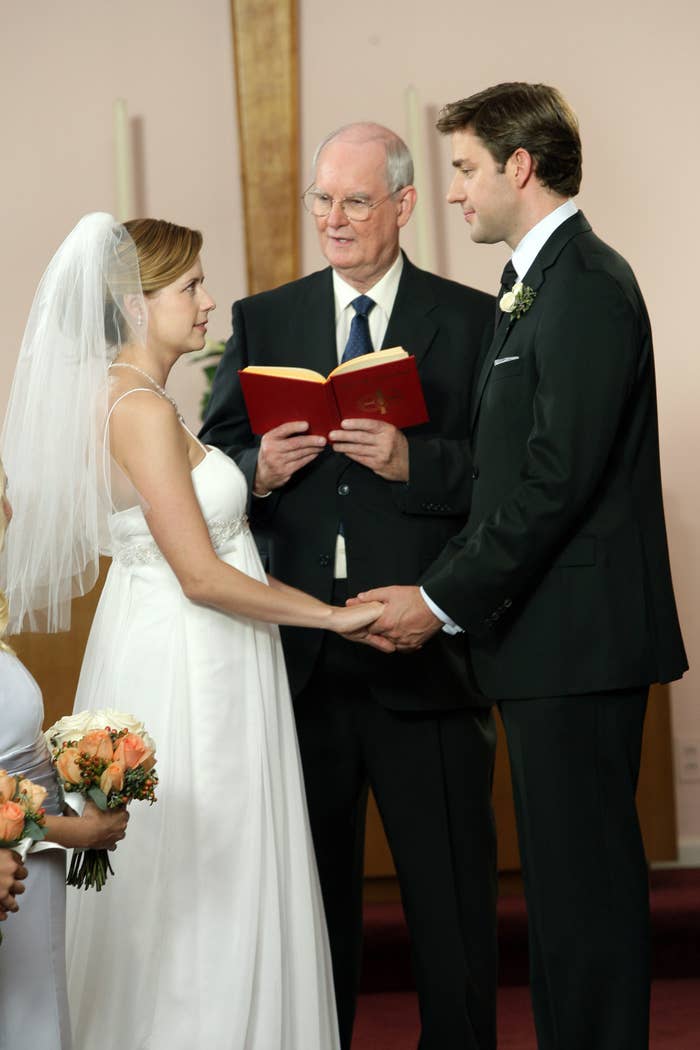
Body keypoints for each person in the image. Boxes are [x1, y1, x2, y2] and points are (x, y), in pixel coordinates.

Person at [354, 84, 688, 1050]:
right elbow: (509, 475)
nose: (453, 192)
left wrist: (436, 598)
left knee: (585, 905)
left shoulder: (585, 282)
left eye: (463, 168)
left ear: (520, 166)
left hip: (579, 649)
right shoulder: (535, 282)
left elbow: (554, 481)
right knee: (560, 902)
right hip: (545, 646)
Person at [1, 214, 381, 1050]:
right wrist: (335, 616)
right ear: (136, 306)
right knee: (203, 875)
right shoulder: (135, 406)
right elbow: (203, 575)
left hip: (187, 641)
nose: (210, 303)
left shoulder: (140, 400)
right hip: (189, 656)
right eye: (191, 288)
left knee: (212, 866)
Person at [200, 122, 499, 1050]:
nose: (333, 218)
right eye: (322, 200)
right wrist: (260, 469)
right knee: (310, 914)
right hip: (301, 665)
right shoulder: (266, 317)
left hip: (421, 650)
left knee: (449, 909)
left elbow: (505, 477)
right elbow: (211, 458)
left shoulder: (475, 318)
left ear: (404, 206)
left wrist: (416, 461)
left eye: (356, 201)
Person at [0, 457, 128, 1049]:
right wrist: (70, 832)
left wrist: (83, 770)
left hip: (29, 857)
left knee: (35, 1013)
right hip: (20, 855)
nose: (9, 515)